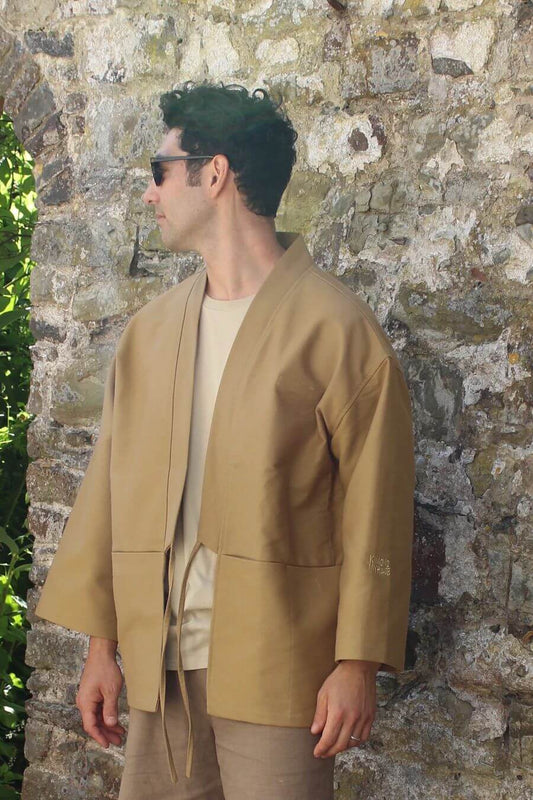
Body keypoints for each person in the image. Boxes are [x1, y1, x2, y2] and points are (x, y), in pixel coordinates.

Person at [34, 80, 416, 800]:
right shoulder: (151, 333)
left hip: (279, 667)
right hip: (158, 666)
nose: (149, 193)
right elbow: (110, 491)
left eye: (160, 171)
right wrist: (101, 648)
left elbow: (378, 507)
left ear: (213, 174)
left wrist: (357, 663)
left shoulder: (336, 330)